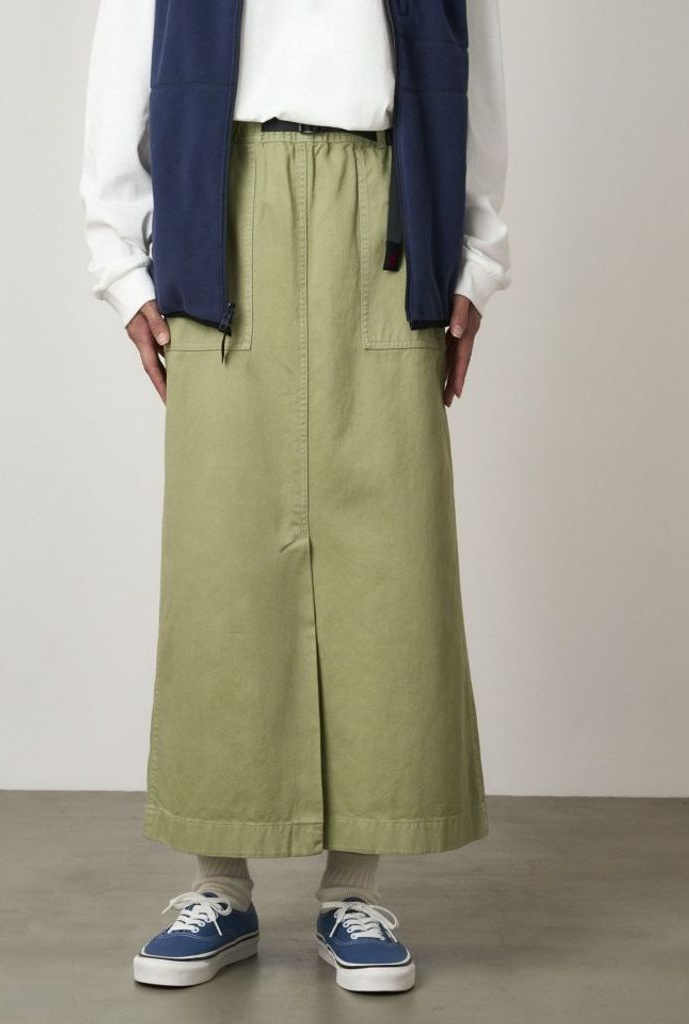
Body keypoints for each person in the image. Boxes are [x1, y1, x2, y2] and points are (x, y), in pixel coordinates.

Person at [81, 0, 511, 994]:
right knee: (223, 550)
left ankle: (354, 888)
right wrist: (120, 263)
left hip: (390, 203)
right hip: (222, 200)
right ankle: (218, 885)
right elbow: (127, 52)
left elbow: (474, 66)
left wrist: (479, 261)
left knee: (388, 549)